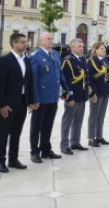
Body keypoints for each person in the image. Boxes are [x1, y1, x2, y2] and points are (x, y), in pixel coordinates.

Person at [30, 32, 70, 163]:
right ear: (41, 40)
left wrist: (65, 90)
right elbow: (33, 81)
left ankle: (46, 149)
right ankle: (34, 151)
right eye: (48, 39)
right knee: (36, 126)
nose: (50, 41)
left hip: (53, 97)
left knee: (48, 125)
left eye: (52, 38)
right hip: (41, 98)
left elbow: (60, 75)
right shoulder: (35, 57)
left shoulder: (55, 54)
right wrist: (34, 99)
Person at [0, 33, 35, 172]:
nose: (25, 44)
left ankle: (13, 160)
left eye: (25, 42)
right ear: (14, 44)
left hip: (22, 101)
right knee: (3, 134)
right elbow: (1, 84)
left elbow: (29, 82)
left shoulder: (26, 60)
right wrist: (2, 104)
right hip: (8, 104)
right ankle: (1, 161)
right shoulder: (4, 60)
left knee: (16, 132)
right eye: (22, 42)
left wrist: (31, 101)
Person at [60, 38, 95, 155]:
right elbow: (64, 81)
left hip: (82, 95)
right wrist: (68, 97)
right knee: (67, 121)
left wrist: (91, 93)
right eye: (79, 46)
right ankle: (64, 145)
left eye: (83, 46)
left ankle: (75, 142)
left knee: (78, 121)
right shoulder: (67, 61)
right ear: (72, 47)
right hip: (72, 97)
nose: (82, 48)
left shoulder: (83, 60)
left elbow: (87, 79)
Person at [87, 41, 109, 147]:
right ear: (96, 50)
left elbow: (108, 75)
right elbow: (89, 79)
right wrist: (91, 93)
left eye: (104, 48)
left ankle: (99, 136)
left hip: (105, 90)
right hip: (96, 92)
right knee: (94, 115)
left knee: (101, 116)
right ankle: (91, 137)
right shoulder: (91, 61)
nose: (104, 50)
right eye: (101, 48)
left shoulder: (105, 61)